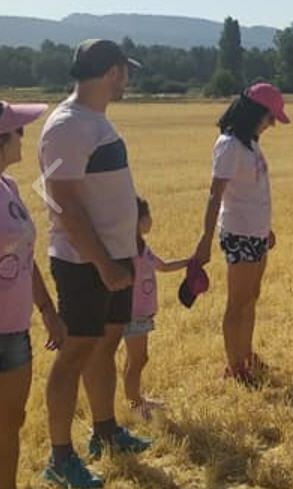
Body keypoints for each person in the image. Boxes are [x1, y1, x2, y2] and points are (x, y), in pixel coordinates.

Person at [38, 39, 149, 488]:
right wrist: (103, 264)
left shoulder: (94, 121)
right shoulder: (66, 125)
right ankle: (60, 457)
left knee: (106, 344)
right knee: (75, 353)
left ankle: (106, 431)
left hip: (112, 257)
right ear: (113, 72)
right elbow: (61, 203)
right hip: (85, 263)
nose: (127, 81)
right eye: (126, 73)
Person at [192, 83, 289, 385]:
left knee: (251, 298)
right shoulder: (229, 145)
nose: (272, 123)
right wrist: (205, 239)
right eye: (270, 117)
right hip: (239, 233)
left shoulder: (250, 143)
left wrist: (266, 228)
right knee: (238, 302)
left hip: (256, 232)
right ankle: (235, 366)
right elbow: (215, 194)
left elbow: (253, 190)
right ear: (254, 113)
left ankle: (245, 355)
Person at [0, 101, 65, 489]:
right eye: (19, 131)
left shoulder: (8, 187)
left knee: (11, 423)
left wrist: (47, 310)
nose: (25, 138)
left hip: (14, 331)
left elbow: (24, 256)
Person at [122, 198, 187, 420]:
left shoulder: (143, 248)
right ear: (136, 221)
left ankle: (135, 398)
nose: (150, 220)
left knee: (135, 359)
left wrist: (190, 262)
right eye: (146, 216)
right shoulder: (127, 251)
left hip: (142, 312)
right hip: (132, 313)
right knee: (138, 359)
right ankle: (135, 405)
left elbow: (164, 266)